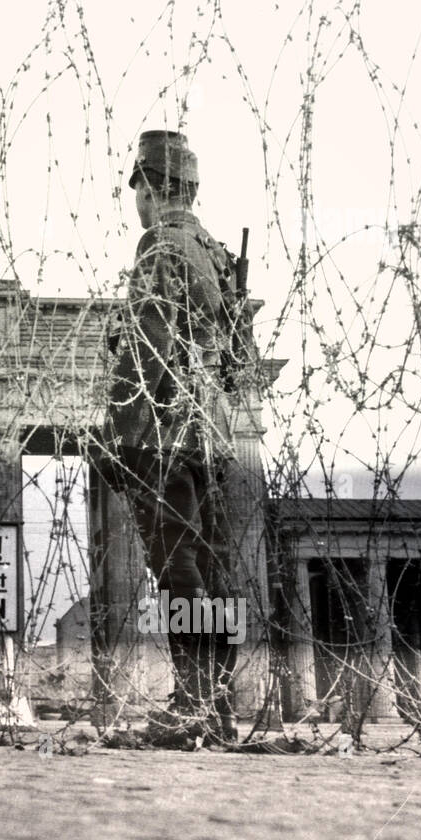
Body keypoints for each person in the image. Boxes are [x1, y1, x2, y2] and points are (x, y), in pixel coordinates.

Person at [103, 131, 246, 742]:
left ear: (152, 187)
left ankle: (191, 700)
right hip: (212, 430)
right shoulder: (215, 254)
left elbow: (148, 347)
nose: (136, 203)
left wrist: (118, 428)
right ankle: (217, 702)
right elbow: (239, 361)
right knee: (212, 568)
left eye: (138, 189)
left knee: (177, 564)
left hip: (167, 427)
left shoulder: (161, 244)